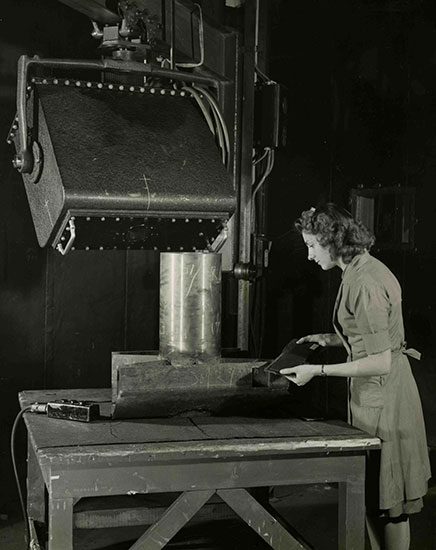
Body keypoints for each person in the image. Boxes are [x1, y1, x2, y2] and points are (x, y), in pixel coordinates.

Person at [280, 203, 431, 550]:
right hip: (374, 400)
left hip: (386, 400)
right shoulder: (359, 270)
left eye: (311, 246)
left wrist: (315, 371)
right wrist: (330, 338)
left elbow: (380, 361)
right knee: (377, 502)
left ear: (332, 241)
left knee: (391, 506)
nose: (309, 256)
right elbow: (372, 335)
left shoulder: (365, 282)